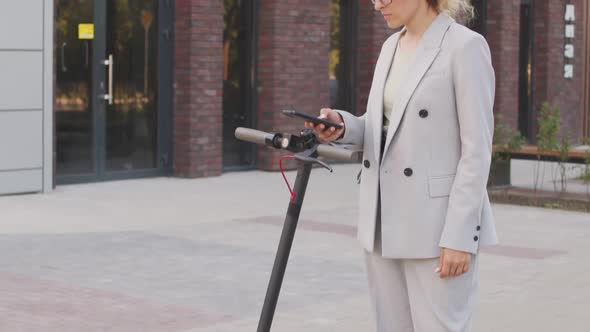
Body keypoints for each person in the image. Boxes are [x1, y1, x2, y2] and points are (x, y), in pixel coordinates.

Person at [304, 0, 498, 331]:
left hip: (437, 229)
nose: (378, 3)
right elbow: (385, 127)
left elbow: (476, 150)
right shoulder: (391, 46)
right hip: (384, 221)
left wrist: (460, 237)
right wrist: (343, 125)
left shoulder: (465, 46)